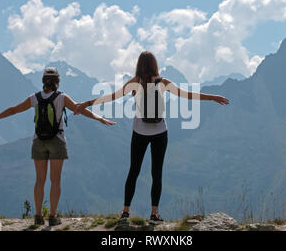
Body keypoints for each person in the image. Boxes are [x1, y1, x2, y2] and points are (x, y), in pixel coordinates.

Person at [74, 51, 229, 223]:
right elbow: (187, 94)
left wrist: (86, 104)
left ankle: (125, 212)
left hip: (139, 131)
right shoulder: (162, 82)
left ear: (139, 65)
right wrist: (211, 97)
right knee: (157, 173)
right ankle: (154, 214)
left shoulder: (135, 83)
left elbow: (112, 97)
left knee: (133, 171)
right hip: (160, 132)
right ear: (155, 64)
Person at [0, 67, 115, 226]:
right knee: (55, 180)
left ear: (43, 82)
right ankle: (52, 216)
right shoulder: (62, 97)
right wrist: (99, 119)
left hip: (38, 141)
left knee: (39, 180)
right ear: (57, 82)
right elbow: (80, 109)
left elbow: (13, 110)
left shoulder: (34, 98)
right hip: (57, 141)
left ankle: (37, 215)